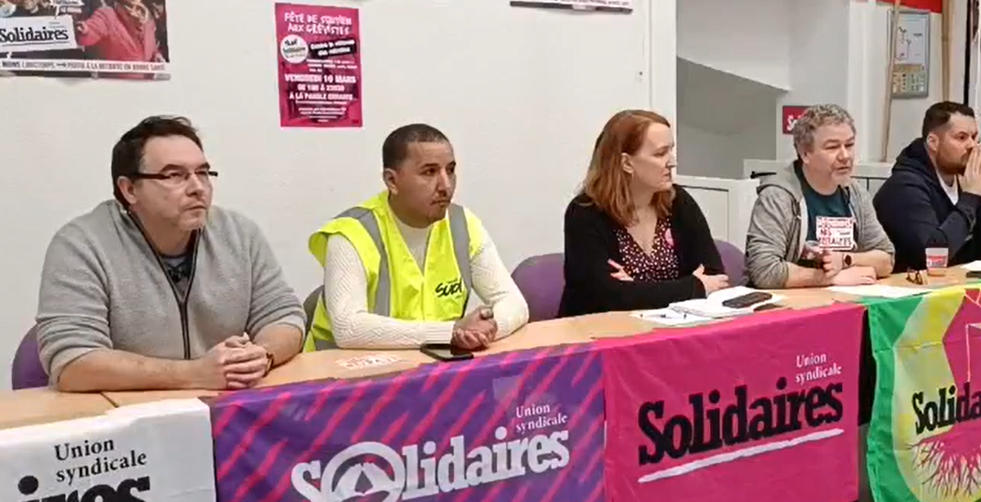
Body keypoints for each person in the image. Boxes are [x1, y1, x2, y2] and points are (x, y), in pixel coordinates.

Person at [36, 116, 306, 393]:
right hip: (125, 410)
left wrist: (262, 354)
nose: (197, 188)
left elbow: (284, 317)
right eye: (175, 175)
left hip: (220, 406)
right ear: (129, 189)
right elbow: (73, 364)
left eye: (203, 173)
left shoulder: (239, 234)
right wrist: (193, 374)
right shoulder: (82, 245)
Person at [306, 123, 529, 351]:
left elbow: (514, 303)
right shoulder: (351, 233)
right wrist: (450, 332)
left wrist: (484, 330)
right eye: (429, 172)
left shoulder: (463, 225)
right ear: (392, 181)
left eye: (450, 170)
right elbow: (348, 328)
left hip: (428, 365)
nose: (446, 185)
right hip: (338, 369)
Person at [558, 109, 729, 317]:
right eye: (660, 154)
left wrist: (636, 288)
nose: (672, 162)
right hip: (601, 331)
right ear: (626, 163)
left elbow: (714, 276)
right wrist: (692, 286)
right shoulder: (585, 213)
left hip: (674, 326)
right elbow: (605, 297)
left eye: (671, 151)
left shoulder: (677, 201)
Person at [746, 104, 894, 288]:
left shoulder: (855, 193)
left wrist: (845, 259)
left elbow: (886, 259)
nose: (845, 156)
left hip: (842, 299)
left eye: (849, 145)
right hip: (792, 302)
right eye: (832, 147)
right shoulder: (778, 196)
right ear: (805, 154)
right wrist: (829, 279)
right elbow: (763, 271)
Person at [872, 102, 981, 272]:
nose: (972, 146)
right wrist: (970, 198)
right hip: (913, 283)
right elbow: (931, 255)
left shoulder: (967, 179)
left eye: (975, 138)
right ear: (933, 142)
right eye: (961, 138)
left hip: (959, 280)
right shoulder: (904, 187)